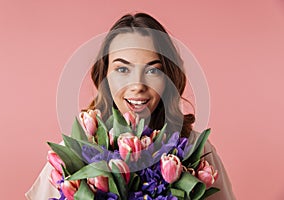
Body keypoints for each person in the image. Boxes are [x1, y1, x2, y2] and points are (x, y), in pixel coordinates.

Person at [25, 12, 236, 199]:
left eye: (153, 70)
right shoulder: (73, 152)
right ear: (104, 76)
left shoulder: (196, 150)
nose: (138, 86)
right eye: (122, 70)